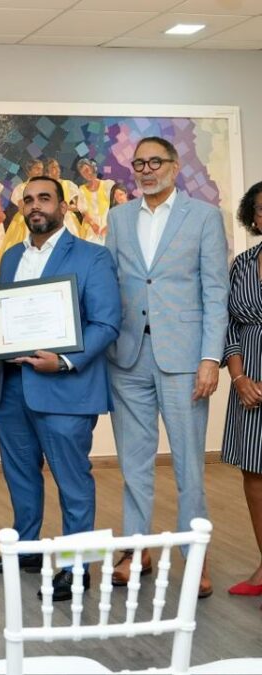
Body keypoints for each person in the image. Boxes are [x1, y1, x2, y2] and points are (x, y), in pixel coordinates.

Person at [0, 176, 120, 603]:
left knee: (73, 482)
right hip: (15, 385)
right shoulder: (13, 255)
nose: (35, 206)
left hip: (66, 387)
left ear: (64, 206)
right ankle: (27, 549)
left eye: (44, 198)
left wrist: (66, 360)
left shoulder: (92, 257)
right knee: (20, 475)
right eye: (28, 200)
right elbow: (18, 318)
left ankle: (76, 567)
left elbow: (106, 323)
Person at [104, 137, 228, 598]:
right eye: (139, 163)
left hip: (184, 360)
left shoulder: (203, 217)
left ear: (175, 168)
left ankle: (194, 557)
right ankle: (137, 550)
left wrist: (209, 358)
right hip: (128, 357)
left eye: (155, 162)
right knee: (134, 464)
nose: (147, 170)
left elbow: (216, 292)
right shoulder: (118, 219)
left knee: (189, 467)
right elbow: (111, 283)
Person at [222, 181, 262, 601]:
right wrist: (239, 377)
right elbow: (230, 324)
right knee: (255, 474)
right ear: (253, 217)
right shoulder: (243, 264)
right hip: (248, 379)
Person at [0, 160, 44, 255]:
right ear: (29, 171)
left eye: (41, 169)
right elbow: (22, 209)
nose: (40, 172)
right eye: (37, 169)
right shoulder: (21, 188)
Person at [76, 158, 114, 244]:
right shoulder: (82, 190)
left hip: (108, 224)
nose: (87, 174)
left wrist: (108, 225)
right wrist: (93, 225)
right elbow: (84, 212)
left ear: (92, 167)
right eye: (83, 173)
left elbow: (115, 207)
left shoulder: (108, 185)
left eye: (87, 170)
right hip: (91, 227)